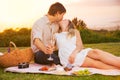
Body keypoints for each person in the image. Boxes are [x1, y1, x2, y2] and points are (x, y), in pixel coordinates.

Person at [54, 19, 120, 69]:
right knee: (94, 63)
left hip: (77, 52)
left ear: (69, 23)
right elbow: (54, 47)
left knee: (96, 52)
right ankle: (117, 68)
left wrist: (74, 53)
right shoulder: (56, 35)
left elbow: (80, 46)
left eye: (65, 19)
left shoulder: (75, 32)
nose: (63, 20)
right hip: (68, 57)